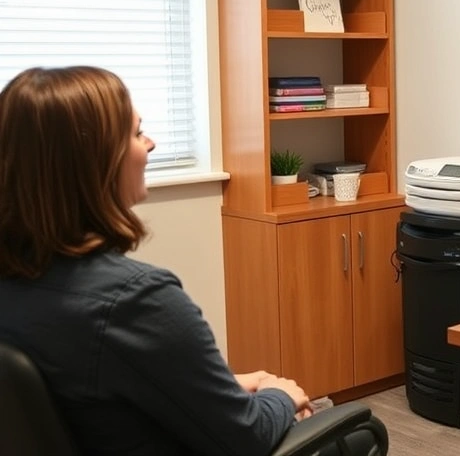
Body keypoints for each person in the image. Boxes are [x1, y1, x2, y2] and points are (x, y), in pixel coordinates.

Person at [0, 66, 312, 455]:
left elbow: (99, 392)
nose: (150, 144)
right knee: (343, 424)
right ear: (94, 161)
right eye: (135, 133)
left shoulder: (16, 287)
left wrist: (229, 387)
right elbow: (245, 439)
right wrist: (280, 395)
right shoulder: (136, 301)